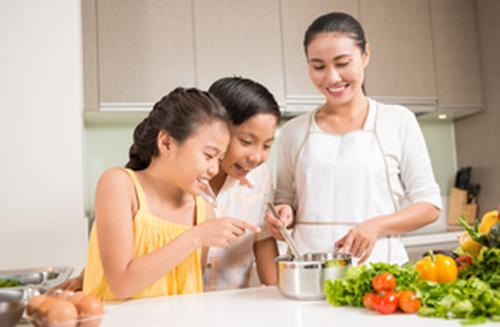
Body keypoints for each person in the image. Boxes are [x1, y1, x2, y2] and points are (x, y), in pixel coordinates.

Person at [265, 12, 442, 265]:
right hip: (310, 271)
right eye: (318, 66)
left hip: (381, 272)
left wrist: (376, 225)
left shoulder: (398, 120)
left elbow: (429, 206)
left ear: (365, 55)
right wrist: (282, 215)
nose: (332, 77)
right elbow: (285, 201)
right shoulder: (294, 131)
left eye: (342, 63)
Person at [82, 87, 260, 300]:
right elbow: (121, 284)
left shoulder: (204, 212)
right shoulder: (119, 185)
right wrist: (196, 237)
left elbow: (188, 297)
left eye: (219, 159)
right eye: (208, 155)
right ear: (166, 142)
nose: (214, 169)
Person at [203, 77, 280, 291]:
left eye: (267, 145)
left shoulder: (261, 177)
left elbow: (262, 240)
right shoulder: (185, 176)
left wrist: (275, 294)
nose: (256, 157)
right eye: (246, 142)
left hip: (234, 305)